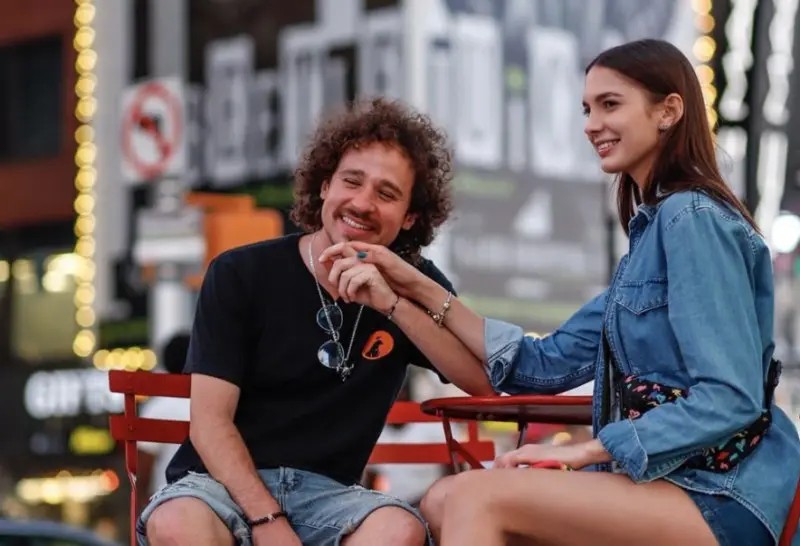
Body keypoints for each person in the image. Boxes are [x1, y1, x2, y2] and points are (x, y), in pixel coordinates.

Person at [321, 39, 800, 545]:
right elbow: (542, 363)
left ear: (668, 111)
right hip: (668, 485)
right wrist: (409, 281)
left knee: (471, 497)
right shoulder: (651, 236)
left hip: (722, 495)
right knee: (443, 498)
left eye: (610, 104)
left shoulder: (692, 219)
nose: (592, 123)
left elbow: (731, 397)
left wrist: (590, 450)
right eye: (587, 109)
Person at [137, 97, 494, 546]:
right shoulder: (241, 272)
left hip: (331, 496)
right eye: (351, 181)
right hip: (218, 487)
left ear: (410, 218)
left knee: (398, 529)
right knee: (175, 522)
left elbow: (483, 381)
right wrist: (268, 521)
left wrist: (393, 304)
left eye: (386, 194)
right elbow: (210, 423)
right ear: (324, 187)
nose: (362, 203)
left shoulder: (414, 283)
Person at [136, 332, 191, 511]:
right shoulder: (215, 402)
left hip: (166, 504)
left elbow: (142, 470)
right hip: (214, 505)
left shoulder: (156, 408)